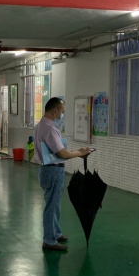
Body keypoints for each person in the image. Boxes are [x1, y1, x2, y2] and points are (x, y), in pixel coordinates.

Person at [34, 97, 91, 251]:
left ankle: (55, 233)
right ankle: (49, 240)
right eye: (61, 112)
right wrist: (79, 153)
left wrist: (76, 152)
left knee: (55, 204)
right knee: (52, 206)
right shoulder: (50, 129)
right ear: (54, 111)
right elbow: (62, 153)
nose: (62, 115)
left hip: (48, 169)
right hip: (52, 170)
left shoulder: (41, 125)